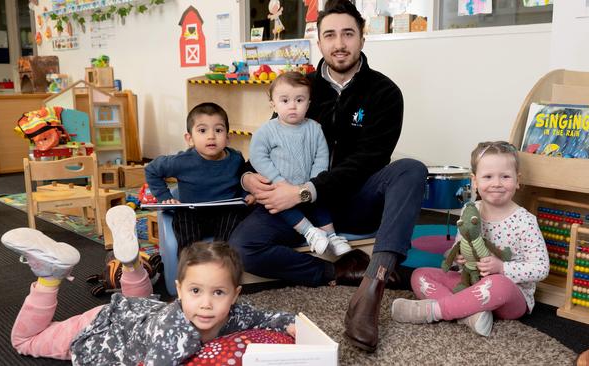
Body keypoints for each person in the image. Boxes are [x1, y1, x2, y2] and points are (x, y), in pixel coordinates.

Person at [229, 0, 427, 352]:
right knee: (242, 248)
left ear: (362, 38)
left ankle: (373, 285)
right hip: (297, 207)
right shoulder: (299, 89)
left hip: (355, 200)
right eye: (330, 35)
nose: (339, 43)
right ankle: (339, 272)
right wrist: (248, 178)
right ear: (318, 42)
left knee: (411, 169)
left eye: (348, 34)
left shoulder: (385, 93)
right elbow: (266, 141)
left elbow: (367, 162)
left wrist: (305, 191)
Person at [3, 205, 295, 364]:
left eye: (218, 292)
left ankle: (130, 263)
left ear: (235, 295)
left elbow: (268, 318)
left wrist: (292, 324)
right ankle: (50, 274)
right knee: (25, 342)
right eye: (195, 291)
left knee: (143, 303)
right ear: (179, 290)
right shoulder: (173, 335)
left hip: (139, 310)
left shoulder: (237, 314)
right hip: (98, 328)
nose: (206, 303)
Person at [391, 141, 550, 336]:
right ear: (475, 181)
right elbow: (461, 245)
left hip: (510, 295)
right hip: (470, 283)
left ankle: (435, 311)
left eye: (505, 176)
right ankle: (469, 314)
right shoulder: (470, 210)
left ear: (517, 180)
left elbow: (541, 268)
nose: (497, 183)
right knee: (420, 275)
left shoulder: (525, 221)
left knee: (499, 283)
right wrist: (457, 257)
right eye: (488, 177)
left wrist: (502, 268)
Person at [250, 71, 351, 256]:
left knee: (321, 203)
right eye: (285, 101)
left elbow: (321, 157)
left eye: (299, 100)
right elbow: (257, 157)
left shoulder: (315, 128)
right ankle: (310, 232)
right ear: (273, 104)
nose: (293, 106)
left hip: (307, 187)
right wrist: (277, 180)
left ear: (308, 103)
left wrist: (312, 182)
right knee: (280, 207)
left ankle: (331, 236)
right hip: (279, 188)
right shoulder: (266, 131)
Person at [145, 102, 253, 252]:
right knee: (183, 218)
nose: (211, 136)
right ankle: (191, 264)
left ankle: (221, 257)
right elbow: (151, 170)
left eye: (218, 130)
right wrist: (164, 197)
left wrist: (245, 194)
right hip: (193, 214)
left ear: (227, 138)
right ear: (189, 139)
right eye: (202, 130)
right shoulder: (182, 161)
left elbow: (242, 180)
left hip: (224, 214)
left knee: (237, 214)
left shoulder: (236, 159)